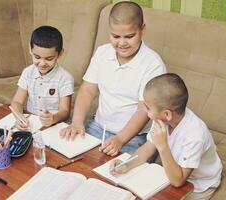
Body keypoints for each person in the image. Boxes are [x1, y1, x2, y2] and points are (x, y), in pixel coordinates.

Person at [60, 1, 166, 157]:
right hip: (98, 126)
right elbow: (88, 90)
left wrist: (120, 139)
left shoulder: (153, 65)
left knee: (117, 173)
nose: (122, 43)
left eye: (129, 36)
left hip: (134, 137)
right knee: (66, 154)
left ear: (142, 29)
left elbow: (144, 109)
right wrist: (77, 121)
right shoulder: (102, 53)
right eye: (115, 36)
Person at [110, 73, 222, 200]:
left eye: (148, 107)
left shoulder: (195, 136)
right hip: (172, 172)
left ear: (167, 114)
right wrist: (127, 164)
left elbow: (178, 181)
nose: (145, 111)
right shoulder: (161, 119)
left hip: (198, 184)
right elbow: (147, 148)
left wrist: (162, 146)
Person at [11, 26, 74, 130]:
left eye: (49, 58)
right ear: (30, 50)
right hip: (31, 124)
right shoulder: (27, 72)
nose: (42, 63)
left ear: (60, 54)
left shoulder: (65, 78)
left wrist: (53, 118)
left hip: (55, 126)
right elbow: (17, 101)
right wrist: (19, 117)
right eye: (37, 57)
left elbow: (65, 112)